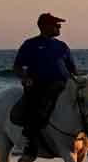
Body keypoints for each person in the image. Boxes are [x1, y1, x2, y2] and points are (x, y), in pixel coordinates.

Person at [12, 12, 79, 148]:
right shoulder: (30, 44)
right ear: (45, 26)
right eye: (56, 25)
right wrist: (25, 78)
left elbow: (73, 70)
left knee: (86, 104)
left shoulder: (62, 46)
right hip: (39, 85)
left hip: (63, 85)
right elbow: (17, 66)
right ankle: (31, 139)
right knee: (37, 106)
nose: (59, 27)